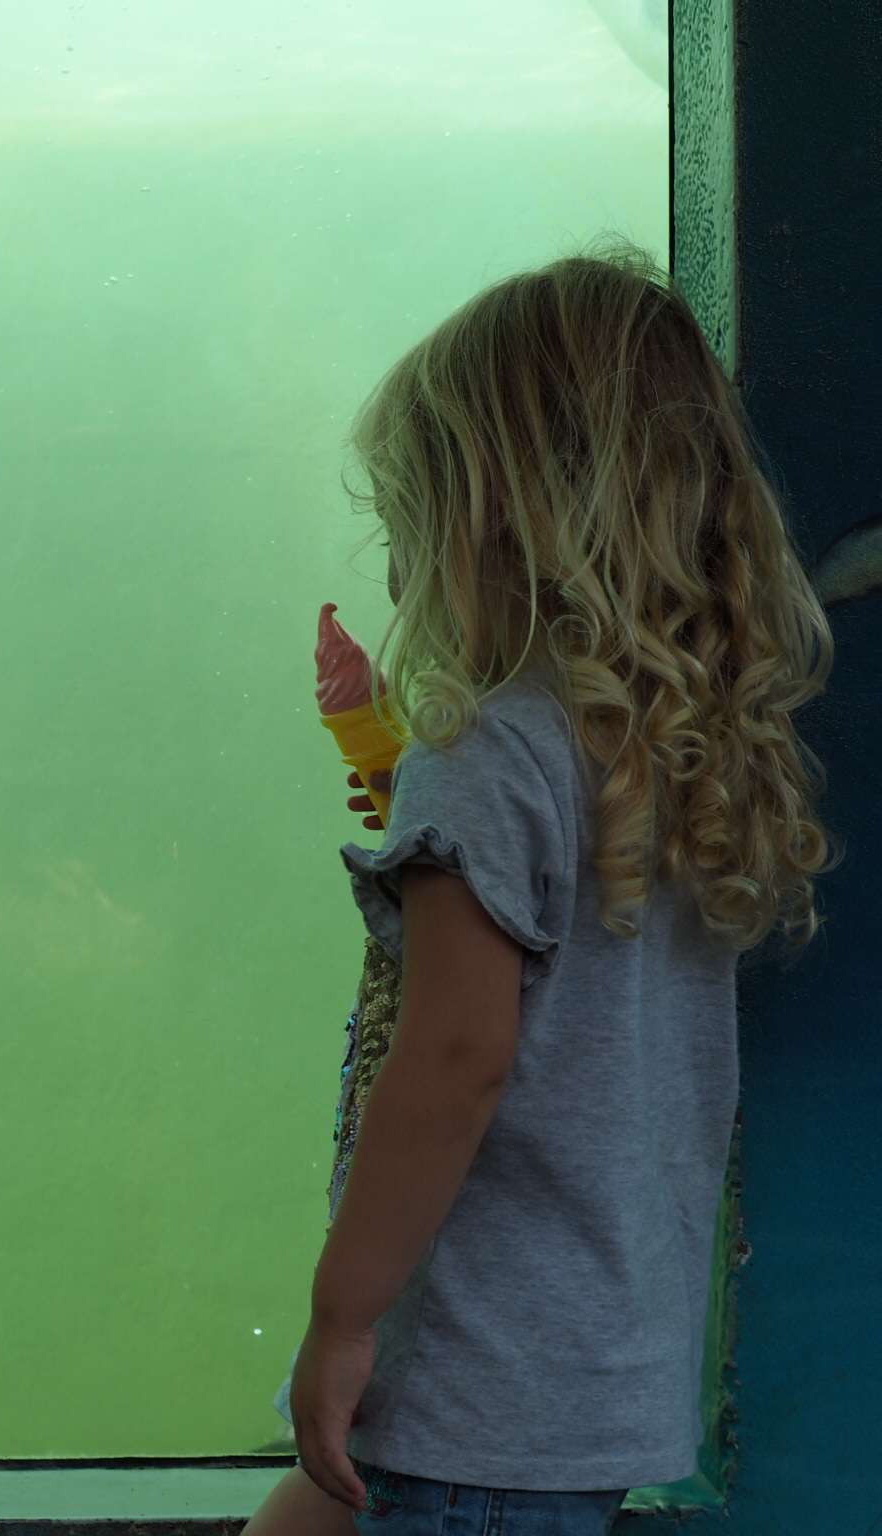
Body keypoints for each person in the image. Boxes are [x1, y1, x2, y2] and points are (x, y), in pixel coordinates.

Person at [245, 247, 832, 1534]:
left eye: (404, 519)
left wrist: (338, 1323)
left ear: (495, 520)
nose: (395, 570)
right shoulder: (663, 749)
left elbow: (457, 1054)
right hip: (586, 1368)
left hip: (466, 1380)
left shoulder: (489, 752)